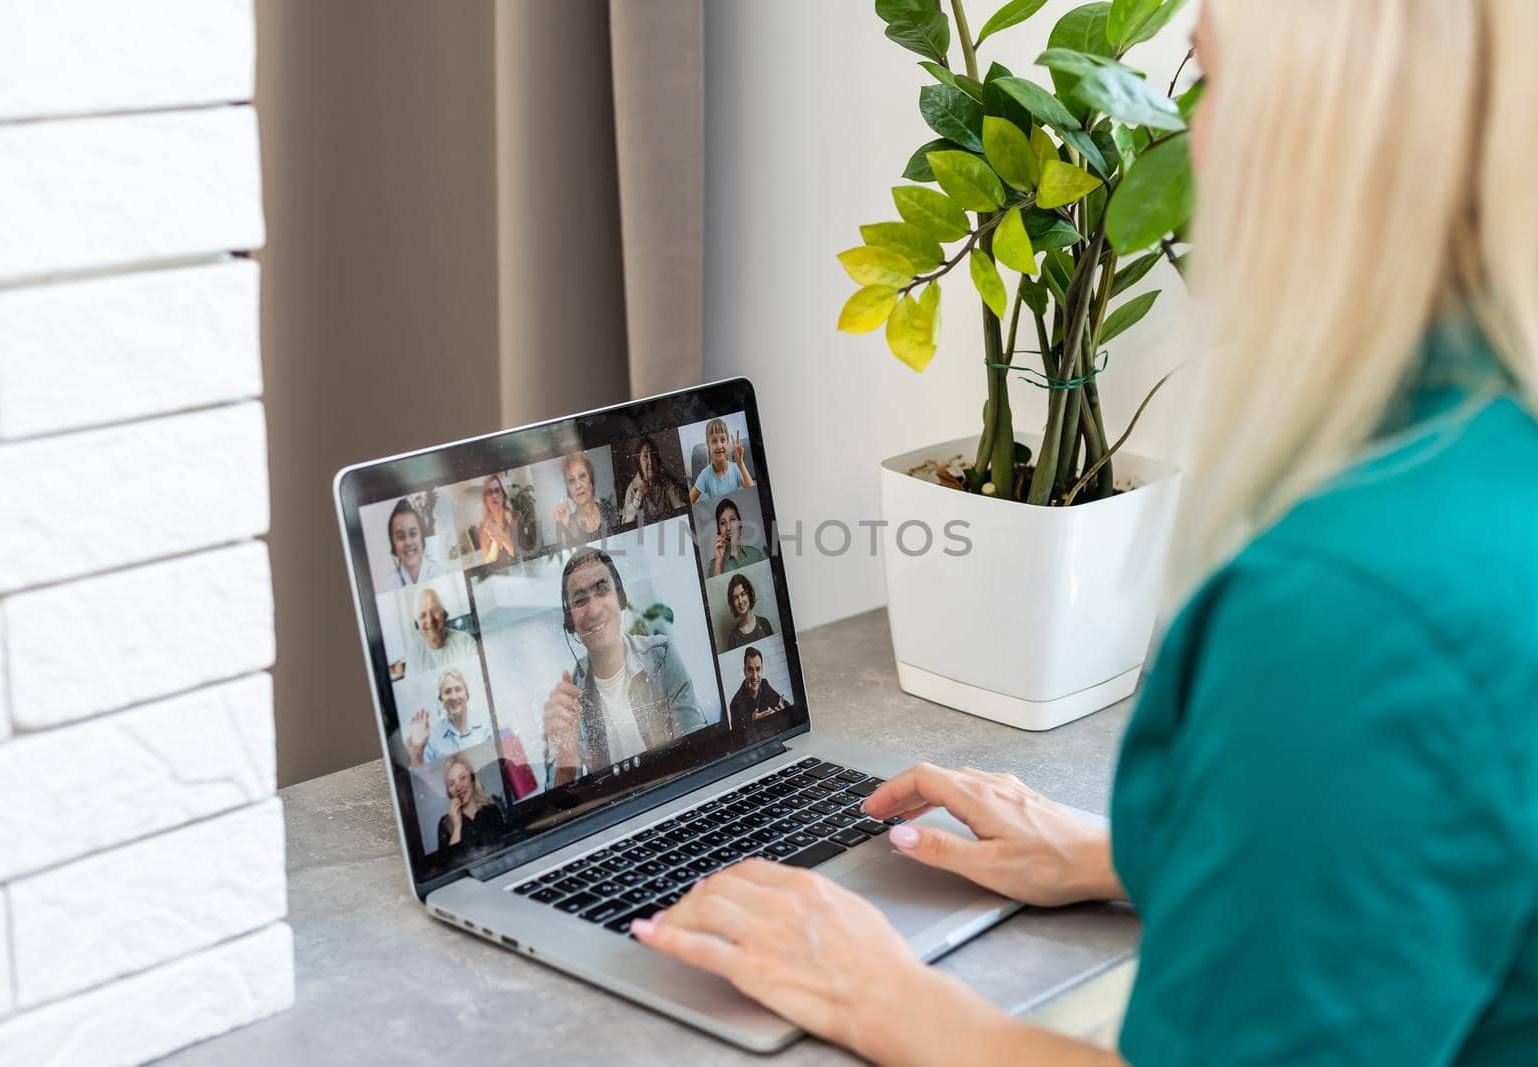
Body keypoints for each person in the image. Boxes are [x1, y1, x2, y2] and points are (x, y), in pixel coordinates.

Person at [629, 4, 1538, 1065]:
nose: (1188, 140)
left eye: (1214, 77)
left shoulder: (1346, 612)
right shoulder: (1484, 463)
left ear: (1326, 121)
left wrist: (880, 992)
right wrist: (1140, 854)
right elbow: (1447, 852)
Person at [541, 547, 706, 787]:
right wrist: (566, 754)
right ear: (570, 622)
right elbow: (560, 806)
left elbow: (699, 754)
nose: (594, 610)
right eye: (579, 600)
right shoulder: (568, 700)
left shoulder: (660, 656)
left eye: (602, 589)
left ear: (621, 598)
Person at [404, 667, 491, 766]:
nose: (453, 697)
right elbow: (422, 777)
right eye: (447, 692)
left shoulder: (486, 723)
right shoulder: (432, 737)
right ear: (441, 700)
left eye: (458, 689)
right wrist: (417, 750)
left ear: (467, 695)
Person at [377, 499, 453, 591]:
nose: (408, 542)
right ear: (393, 545)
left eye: (413, 534)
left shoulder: (441, 574)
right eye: (400, 536)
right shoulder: (389, 584)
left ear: (421, 537)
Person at [437, 752, 506, 851]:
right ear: (448, 791)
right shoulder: (444, 824)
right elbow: (448, 864)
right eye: (452, 784)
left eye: (462, 778)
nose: (459, 787)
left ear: (472, 779)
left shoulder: (492, 811)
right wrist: (456, 827)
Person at [403, 586, 478, 676]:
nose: (430, 620)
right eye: (422, 615)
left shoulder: (466, 641)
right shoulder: (414, 652)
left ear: (444, 614)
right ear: (416, 624)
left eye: (434, 611)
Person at [552, 451, 620, 546]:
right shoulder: (567, 524)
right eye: (571, 481)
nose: (578, 485)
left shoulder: (608, 510)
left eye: (582, 476)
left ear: (591, 481)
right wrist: (561, 526)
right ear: (568, 490)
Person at [687, 417, 754, 504]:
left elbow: (753, 493)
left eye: (722, 440)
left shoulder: (735, 468)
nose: (719, 446)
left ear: (727, 442)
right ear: (708, 445)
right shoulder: (705, 475)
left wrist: (740, 463)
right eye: (714, 441)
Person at [621, 435, 686, 525]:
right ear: (638, 462)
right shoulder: (632, 489)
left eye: (652, 455)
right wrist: (638, 497)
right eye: (645, 457)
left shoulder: (666, 482)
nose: (650, 461)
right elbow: (625, 523)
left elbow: (680, 506)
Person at [727, 646, 788, 727]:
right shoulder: (735, 704)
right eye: (750, 670)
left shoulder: (764, 684)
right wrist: (752, 723)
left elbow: (783, 704)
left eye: (758, 669)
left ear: (762, 670)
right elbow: (737, 737)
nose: (755, 676)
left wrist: (784, 711)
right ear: (744, 671)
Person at [708, 497, 767, 577]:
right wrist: (718, 561)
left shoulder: (756, 554)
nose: (729, 527)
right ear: (719, 531)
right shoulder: (713, 565)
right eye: (723, 523)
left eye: (732, 520)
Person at [471, 473, 519, 564]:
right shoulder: (483, 527)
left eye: (497, 490)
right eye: (489, 492)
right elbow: (487, 560)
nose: (494, 495)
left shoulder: (516, 517)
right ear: (485, 499)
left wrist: (502, 536)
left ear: (503, 495)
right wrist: (495, 541)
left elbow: (523, 556)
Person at [723, 573, 774, 651]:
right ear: (732, 603)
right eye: (736, 598)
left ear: (749, 595)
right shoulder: (733, 637)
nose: (740, 601)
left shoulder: (764, 623)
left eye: (743, 594)